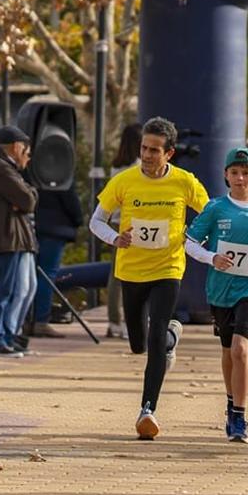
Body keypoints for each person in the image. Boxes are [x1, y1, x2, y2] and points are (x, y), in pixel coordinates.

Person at [91, 116, 209, 440]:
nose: (147, 155)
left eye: (154, 150)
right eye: (144, 148)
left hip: (168, 267)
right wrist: (115, 238)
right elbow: (96, 221)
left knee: (154, 334)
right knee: (137, 344)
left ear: (169, 153)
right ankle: (172, 337)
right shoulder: (125, 181)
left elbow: (209, 211)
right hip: (131, 270)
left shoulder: (184, 182)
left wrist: (195, 236)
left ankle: (148, 410)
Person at [185, 147, 248, 442]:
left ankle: (240, 417)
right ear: (226, 175)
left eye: (246, 172)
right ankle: (231, 404)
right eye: (235, 173)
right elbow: (189, 243)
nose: (241, 178)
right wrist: (211, 257)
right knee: (228, 350)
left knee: (242, 348)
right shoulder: (216, 208)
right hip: (221, 288)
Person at [0, 125, 39, 356]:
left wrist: (25, 197)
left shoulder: (5, 167)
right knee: (1, 290)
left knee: (11, 289)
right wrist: (25, 198)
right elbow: (28, 200)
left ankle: (4, 335)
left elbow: (27, 197)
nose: (27, 155)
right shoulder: (1, 168)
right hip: (4, 237)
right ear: (16, 147)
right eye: (25, 150)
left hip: (11, 237)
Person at [28, 173, 83, 338]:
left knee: (32, 274)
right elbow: (70, 200)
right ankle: (41, 321)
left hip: (34, 225)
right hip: (55, 228)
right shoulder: (61, 169)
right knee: (47, 275)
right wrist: (78, 219)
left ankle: (26, 320)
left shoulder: (34, 167)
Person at [104, 123, 141, 340]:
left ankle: (114, 320)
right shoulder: (136, 168)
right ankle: (127, 321)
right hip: (132, 224)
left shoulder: (117, 166)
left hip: (114, 222)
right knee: (131, 277)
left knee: (116, 275)